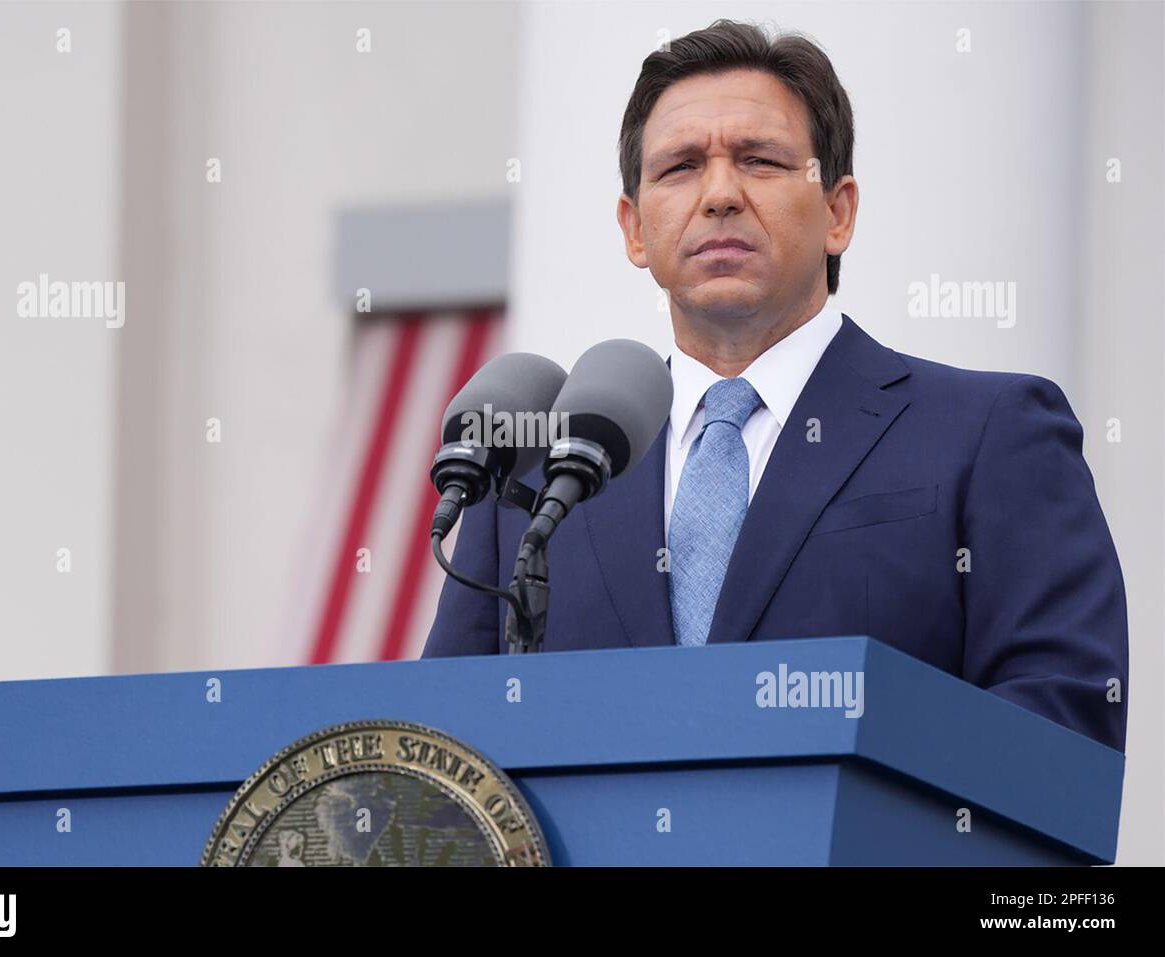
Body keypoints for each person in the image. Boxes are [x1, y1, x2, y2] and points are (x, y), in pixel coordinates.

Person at [422, 19, 1128, 753]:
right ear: (635, 228)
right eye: (681, 167)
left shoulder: (991, 433)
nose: (720, 193)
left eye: (759, 161)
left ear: (838, 211)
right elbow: (438, 762)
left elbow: (1059, 734)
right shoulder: (543, 480)